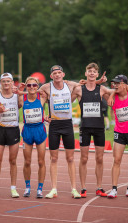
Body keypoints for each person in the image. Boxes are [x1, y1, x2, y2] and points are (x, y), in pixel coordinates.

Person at [39, 65, 81, 199]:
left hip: (67, 124)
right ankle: (53, 189)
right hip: (54, 125)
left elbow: (80, 84)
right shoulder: (46, 87)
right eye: (54, 73)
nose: (57, 75)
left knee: (70, 158)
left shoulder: (70, 86)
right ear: (51, 76)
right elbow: (35, 93)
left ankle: (74, 189)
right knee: (54, 158)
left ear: (63, 74)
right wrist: (44, 115)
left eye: (59, 73)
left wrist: (70, 82)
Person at [71, 63, 112, 198]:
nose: (92, 73)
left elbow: (114, 96)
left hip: (99, 127)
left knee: (99, 158)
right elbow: (67, 101)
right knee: (84, 158)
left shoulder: (102, 89)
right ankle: (83, 188)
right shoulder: (79, 90)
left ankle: (99, 187)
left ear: (97, 74)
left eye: (94, 71)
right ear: (86, 73)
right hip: (85, 128)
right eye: (90, 71)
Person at [0, 73, 23, 199]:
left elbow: (21, 105)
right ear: (1, 83)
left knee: (13, 161)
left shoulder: (17, 96)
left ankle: (13, 188)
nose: (6, 83)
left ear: (13, 82)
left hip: (13, 130)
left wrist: (21, 92)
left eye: (8, 81)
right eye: (4, 81)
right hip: (0, 130)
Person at [107, 74, 128, 199]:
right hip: (119, 132)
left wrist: (124, 86)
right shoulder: (113, 97)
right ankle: (114, 188)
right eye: (113, 83)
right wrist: (112, 93)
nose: (115, 85)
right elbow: (104, 90)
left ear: (124, 84)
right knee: (117, 160)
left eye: (117, 83)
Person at [21, 77, 47, 199]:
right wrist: (21, 90)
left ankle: (40, 188)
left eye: (34, 85)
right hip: (27, 131)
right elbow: (8, 92)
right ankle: (27, 187)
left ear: (38, 86)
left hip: (39, 131)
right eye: (29, 85)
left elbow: (54, 88)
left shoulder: (42, 98)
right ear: (26, 86)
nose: (32, 87)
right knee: (27, 161)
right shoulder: (22, 99)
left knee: (41, 161)